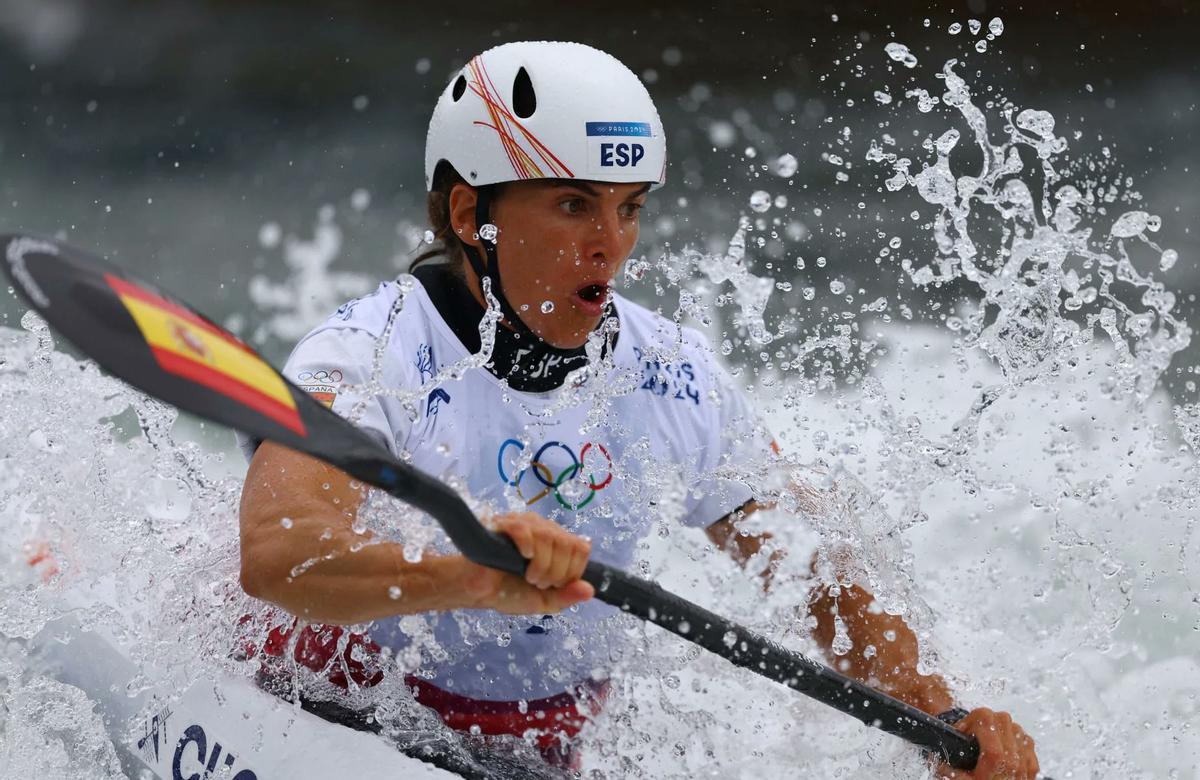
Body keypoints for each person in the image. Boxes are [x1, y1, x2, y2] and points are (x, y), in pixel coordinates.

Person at [237, 41, 1041, 778]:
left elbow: (815, 577)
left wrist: (938, 712)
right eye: (575, 205)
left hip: (539, 748)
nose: (611, 245)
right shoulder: (365, 357)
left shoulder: (672, 375)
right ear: (468, 214)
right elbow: (278, 554)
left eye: (630, 207)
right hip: (321, 708)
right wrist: (468, 575)